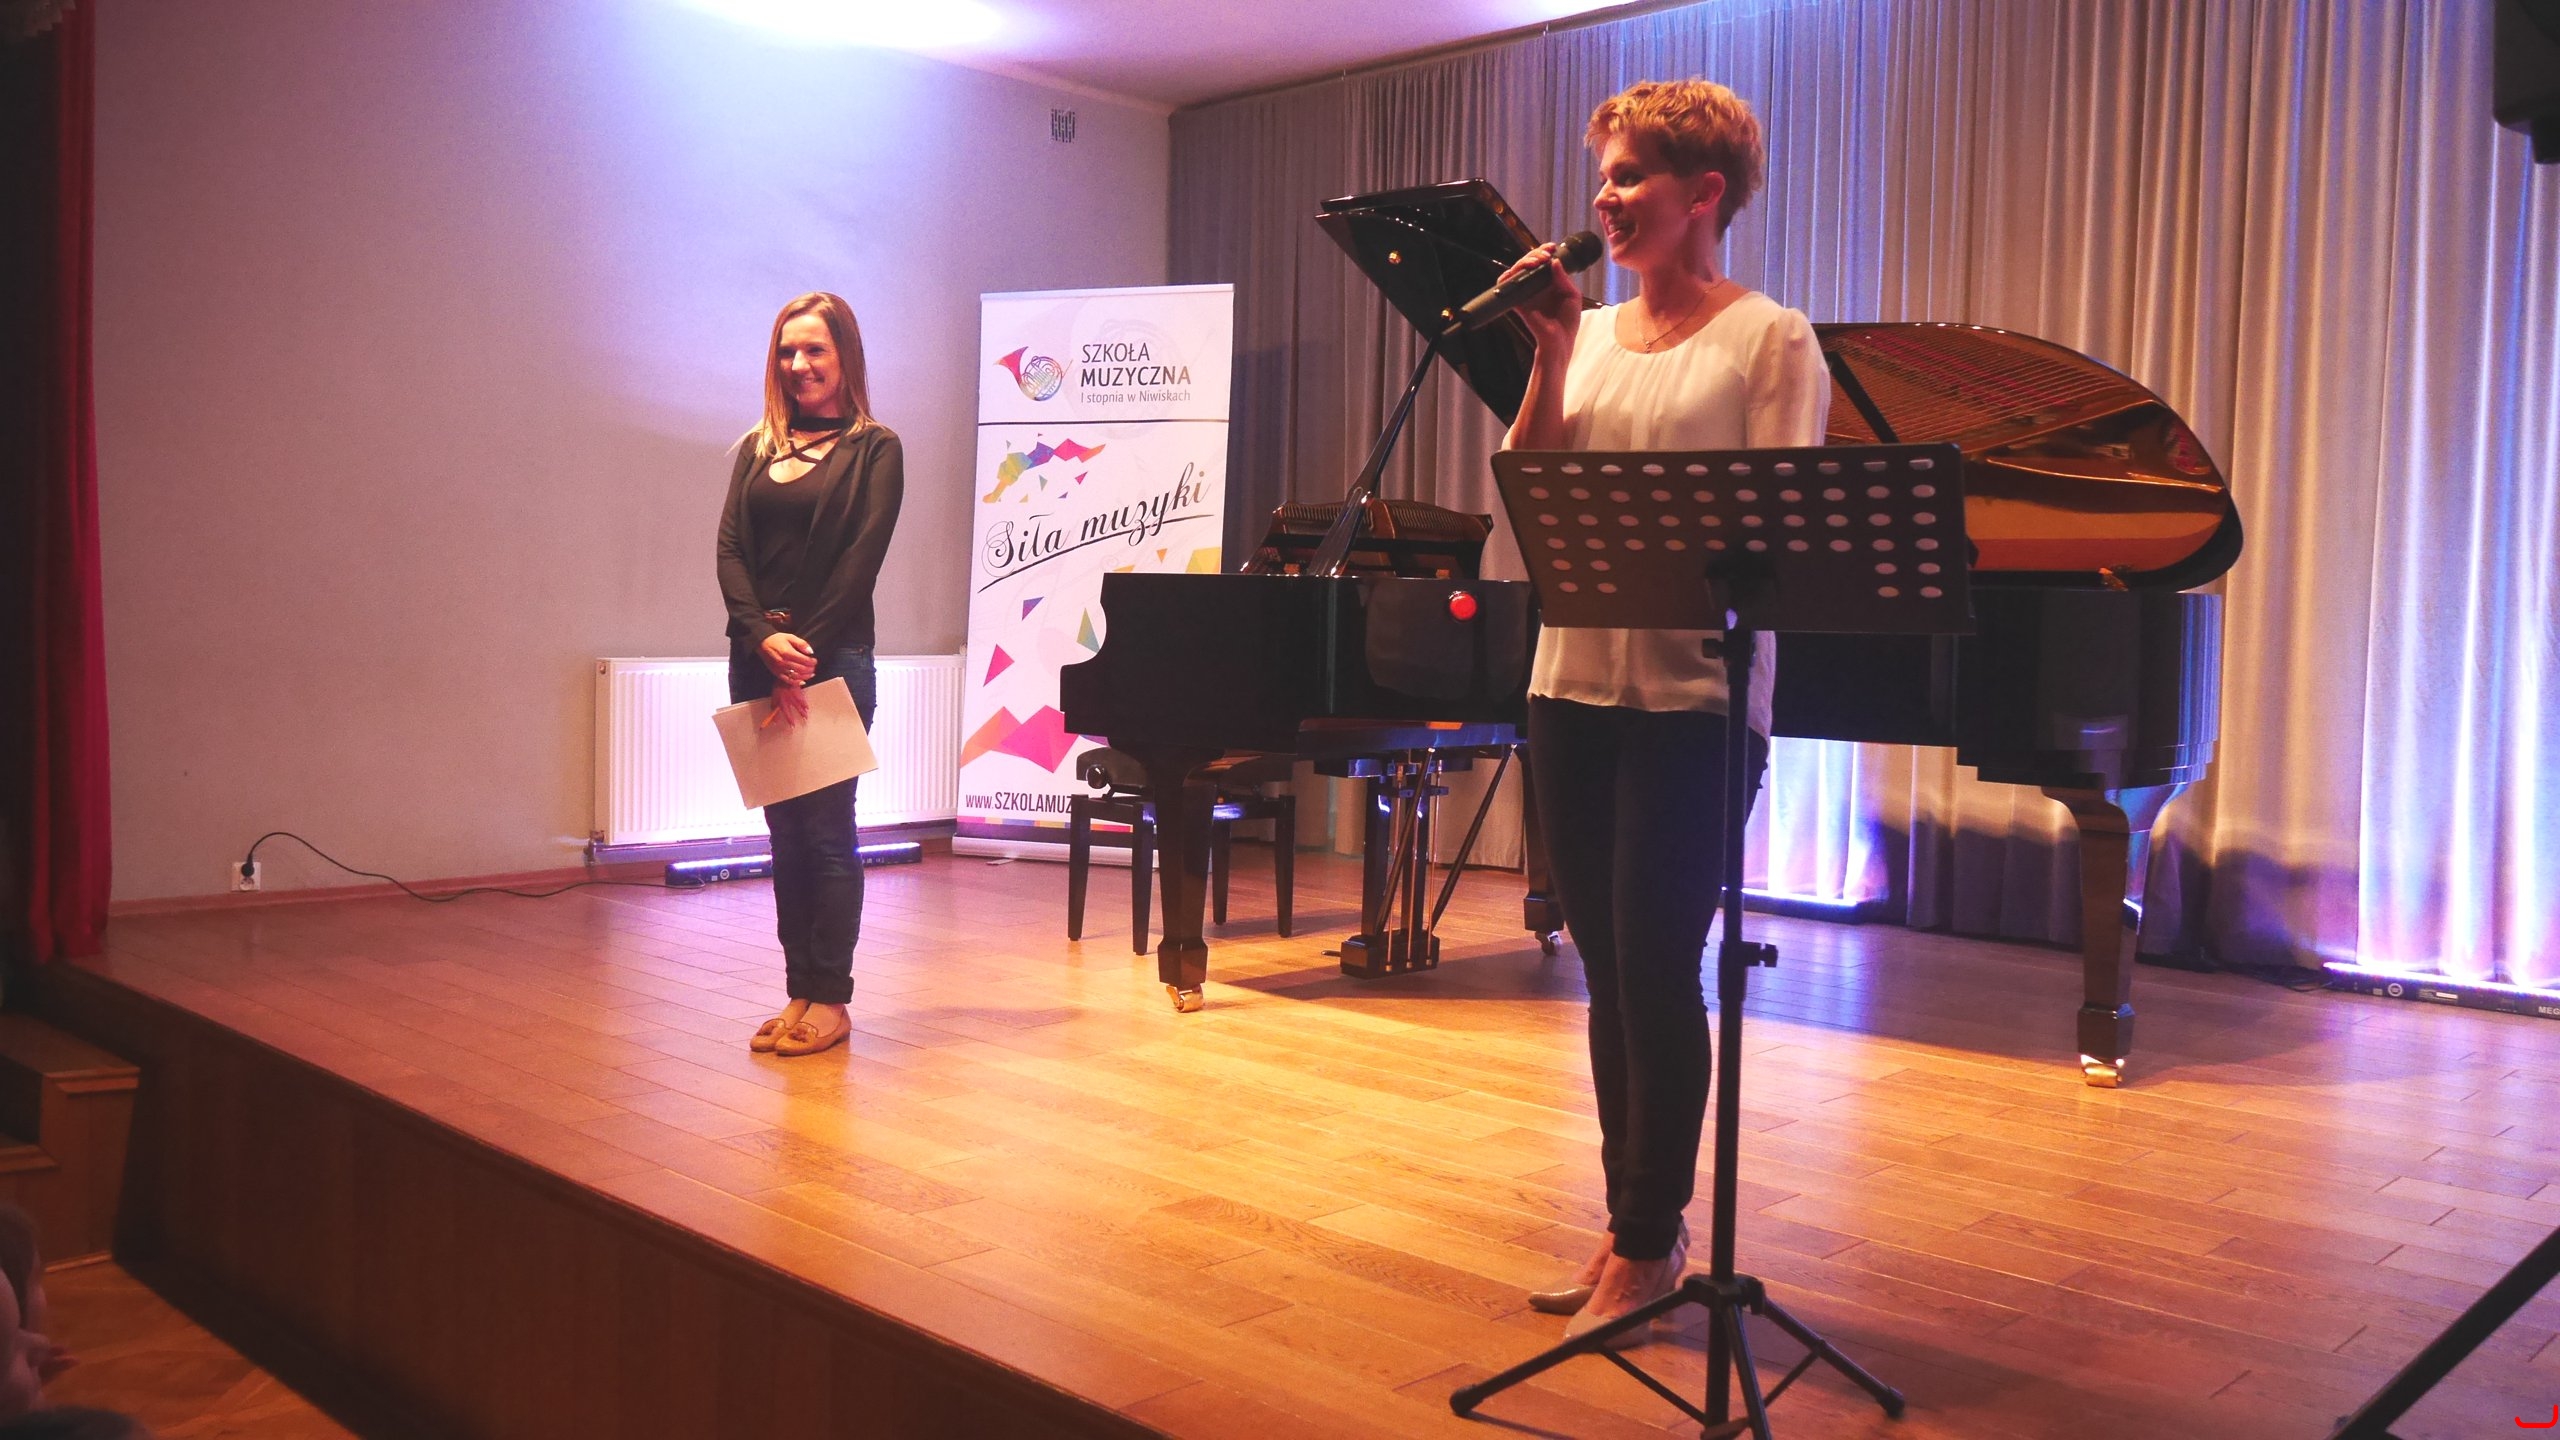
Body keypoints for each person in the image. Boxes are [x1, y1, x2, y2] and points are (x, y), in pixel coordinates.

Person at [1500, 79, 1828, 1343]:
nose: (1605, 196)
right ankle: (1631, 1229)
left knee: (1654, 966)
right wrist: (1546, 357)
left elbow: (1778, 531)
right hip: (1570, 683)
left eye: (1630, 174)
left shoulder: (1769, 339)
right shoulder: (1581, 336)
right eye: (1603, 174)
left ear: (1704, 194)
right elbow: (1531, 492)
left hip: (1696, 697)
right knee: (1605, 973)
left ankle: (1648, 1242)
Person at [716, 292, 904, 1058]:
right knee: (784, 838)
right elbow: (731, 551)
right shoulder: (757, 446)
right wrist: (764, 640)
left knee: (826, 835)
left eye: (814, 350)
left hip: (835, 663)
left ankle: (831, 998)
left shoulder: (876, 449)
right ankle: (798, 990)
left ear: (844, 355)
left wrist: (803, 655)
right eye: (787, 351)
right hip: (756, 661)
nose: (799, 364)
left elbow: (861, 563)